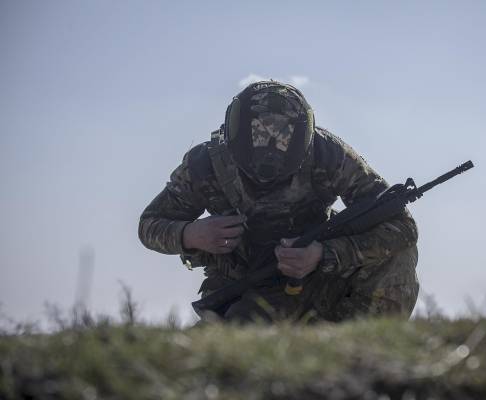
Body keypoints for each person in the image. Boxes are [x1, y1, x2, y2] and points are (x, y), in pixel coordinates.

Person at [138, 80, 419, 322]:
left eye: (283, 137)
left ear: (303, 138)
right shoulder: (204, 164)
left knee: (396, 253)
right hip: (244, 288)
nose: (271, 146)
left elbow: (402, 226)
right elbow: (149, 225)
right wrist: (191, 234)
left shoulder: (328, 154)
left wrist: (325, 254)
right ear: (237, 132)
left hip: (323, 281)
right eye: (259, 134)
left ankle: (358, 351)